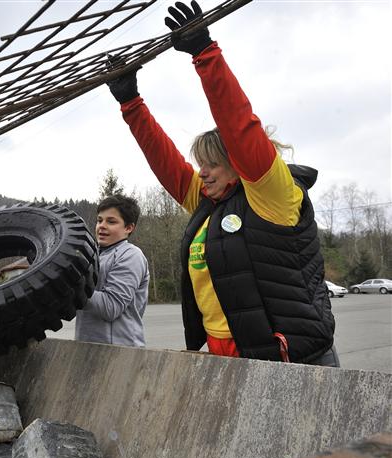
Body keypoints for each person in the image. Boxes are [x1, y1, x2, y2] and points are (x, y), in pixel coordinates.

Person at [105, 1, 337, 365]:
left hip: (291, 360)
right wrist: (131, 104)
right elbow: (165, 163)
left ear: (238, 164)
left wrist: (204, 52)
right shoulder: (210, 203)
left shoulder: (271, 193)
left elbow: (240, 126)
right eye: (201, 165)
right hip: (226, 356)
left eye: (212, 164)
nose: (202, 172)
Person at [75, 194, 150, 347]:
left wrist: (70, 285)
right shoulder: (91, 254)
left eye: (111, 221)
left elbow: (110, 307)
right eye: (99, 220)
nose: (102, 226)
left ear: (129, 228)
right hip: (86, 348)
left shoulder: (131, 256)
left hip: (120, 354)